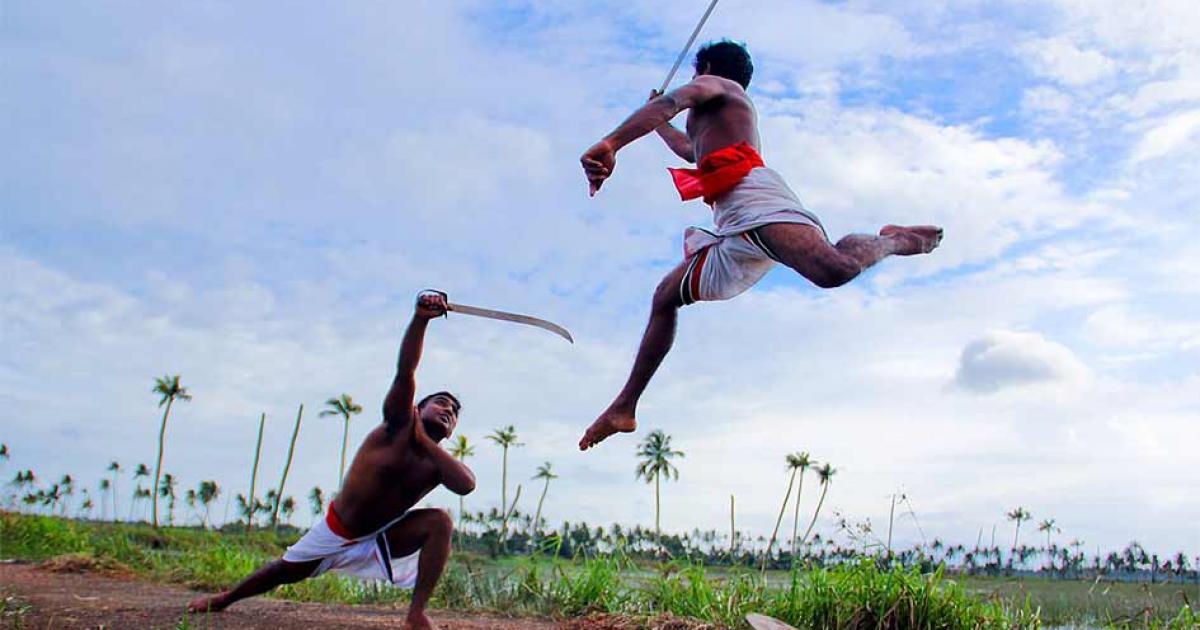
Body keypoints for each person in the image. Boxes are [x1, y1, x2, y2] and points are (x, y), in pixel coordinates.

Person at [578, 40, 943, 450]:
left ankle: (894, 239)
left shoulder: (720, 87)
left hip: (754, 198)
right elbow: (686, 145)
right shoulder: (713, 120)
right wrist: (662, 123)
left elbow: (670, 106)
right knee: (665, 296)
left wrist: (613, 143)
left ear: (709, 69)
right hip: (731, 222)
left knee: (834, 270)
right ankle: (624, 407)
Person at [188, 292, 475, 630]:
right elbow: (405, 370)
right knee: (282, 571)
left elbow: (466, 484)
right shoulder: (397, 423)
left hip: (382, 536)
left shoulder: (437, 462)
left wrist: (426, 442)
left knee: (439, 520)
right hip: (338, 528)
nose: (448, 411)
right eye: (441, 403)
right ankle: (224, 599)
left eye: (454, 413)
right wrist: (421, 320)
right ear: (418, 407)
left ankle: (416, 613)